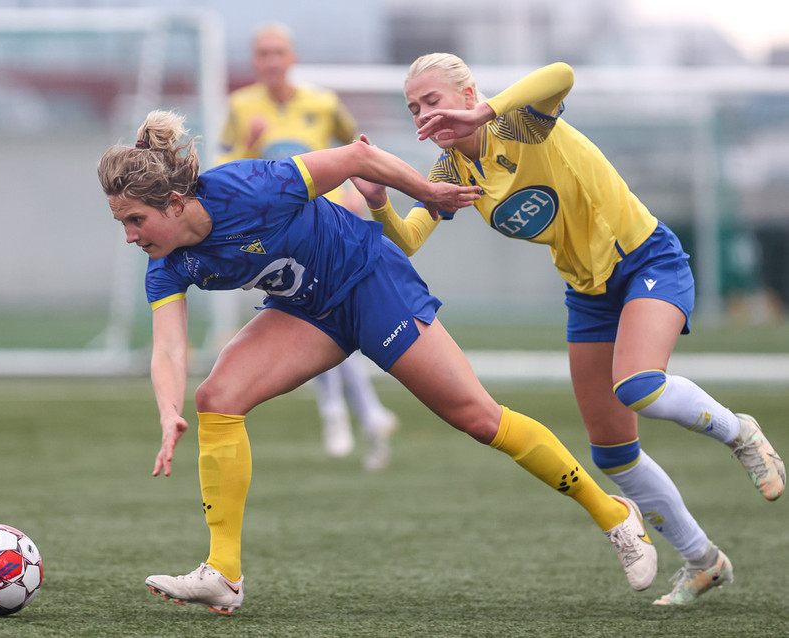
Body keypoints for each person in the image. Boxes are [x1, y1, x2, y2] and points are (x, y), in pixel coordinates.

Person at [97, 109, 657, 615]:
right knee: (216, 398)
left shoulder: (250, 187)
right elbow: (169, 347)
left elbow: (357, 157)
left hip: (370, 283)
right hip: (308, 311)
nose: (128, 236)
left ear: (174, 204)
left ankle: (614, 515)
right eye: (122, 223)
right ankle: (223, 573)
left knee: (479, 418)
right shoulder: (166, 262)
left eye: (135, 220)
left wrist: (428, 193)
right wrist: (168, 411)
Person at [351, 54, 786, 606]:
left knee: (639, 385)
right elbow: (408, 241)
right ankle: (704, 562)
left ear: (468, 96)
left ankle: (740, 432)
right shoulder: (451, 171)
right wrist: (380, 204)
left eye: (432, 101)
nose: (423, 115)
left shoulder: (518, 123)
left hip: (646, 261)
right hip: (588, 292)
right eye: (414, 108)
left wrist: (485, 113)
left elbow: (562, 74)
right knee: (613, 454)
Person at [214, 21, 397, 469]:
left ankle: (341, 414)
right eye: (263, 53)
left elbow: (358, 149)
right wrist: (248, 144)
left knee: (318, 317)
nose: (271, 61)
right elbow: (222, 172)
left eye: (278, 52)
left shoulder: (323, 102)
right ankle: (367, 414)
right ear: (254, 61)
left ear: (292, 57)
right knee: (321, 319)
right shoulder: (241, 106)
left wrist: (354, 192)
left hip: (326, 229)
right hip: (275, 231)